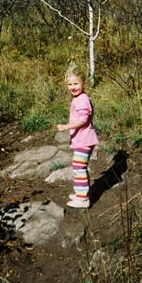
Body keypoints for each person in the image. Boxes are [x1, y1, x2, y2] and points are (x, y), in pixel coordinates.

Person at [57, 65, 99, 208]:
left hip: (85, 139)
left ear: (84, 84)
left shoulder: (82, 99)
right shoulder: (79, 98)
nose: (72, 87)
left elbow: (83, 120)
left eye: (76, 84)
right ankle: (82, 194)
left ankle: (82, 199)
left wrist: (65, 127)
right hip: (83, 139)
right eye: (70, 84)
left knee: (79, 168)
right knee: (79, 166)